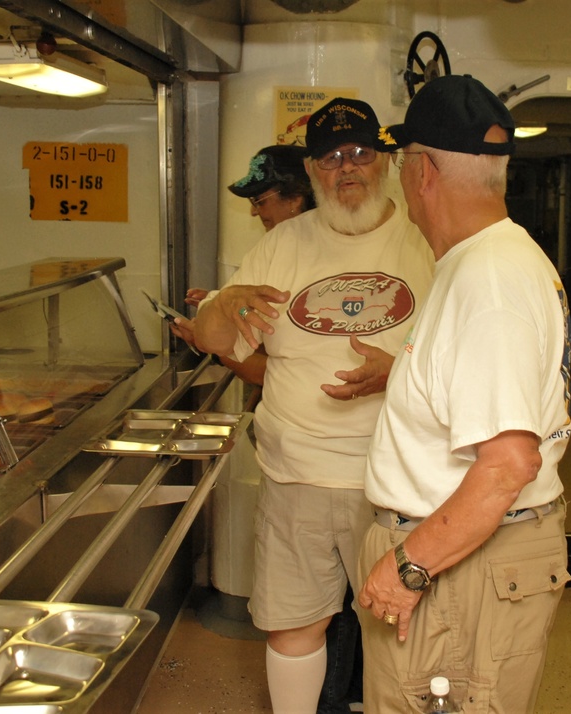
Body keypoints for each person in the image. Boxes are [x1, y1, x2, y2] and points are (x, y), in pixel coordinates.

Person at [194, 97, 435, 714]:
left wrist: (398, 373)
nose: (345, 168)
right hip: (295, 470)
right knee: (293, 625)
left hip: (398, 480)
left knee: (403, 634)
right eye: (329, 158)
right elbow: (222, 342)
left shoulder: (424, 239)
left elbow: (465, 354)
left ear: (384, 159)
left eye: (359, 153)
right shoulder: (283, 245)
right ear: (311, 171)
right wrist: (216, 311)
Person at [357, 75, 571, 713]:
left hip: (458, 569)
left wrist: (409, 565)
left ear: (421, 170)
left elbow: (509, 463)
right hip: (465, 557)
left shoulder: (489, 281)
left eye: (398, 162)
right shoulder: (487, 261)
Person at [172, 144, 315, 386]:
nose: (252, 211)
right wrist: (223, 310)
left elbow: (279, 373)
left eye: (259, 200)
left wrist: (209, 342)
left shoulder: (317, 263)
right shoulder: (274, 251)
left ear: (295, 199)